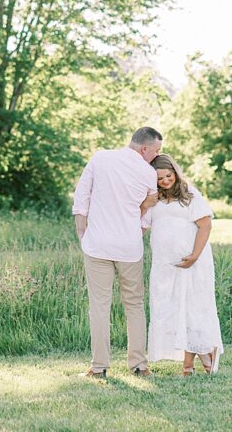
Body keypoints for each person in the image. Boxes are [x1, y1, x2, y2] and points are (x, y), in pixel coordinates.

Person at [72, 126, 162, 380]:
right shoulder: (148, 172)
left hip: (97, 244)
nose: (156, 156)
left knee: (99, 306)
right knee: (134, 304)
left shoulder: (100, 158)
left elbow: (81, 197)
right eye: (156, 151)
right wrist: (138, 230)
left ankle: (99, 367)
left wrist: (83, 234)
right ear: (144, 148)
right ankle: (139, 365)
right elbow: (149, 211)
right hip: (129, 247)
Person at [141, 154, 224, 375]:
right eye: (160, 178)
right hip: (165, 265)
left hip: (192, 262)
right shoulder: (154, 199)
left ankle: (198, 358)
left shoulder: (190, 194)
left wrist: (195, 255)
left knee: (191, 308)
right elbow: (142, 224)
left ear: (175, 173)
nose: (165, 181)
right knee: (172, 309)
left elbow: (205, 225)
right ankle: (193, 361)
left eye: (169, 176)